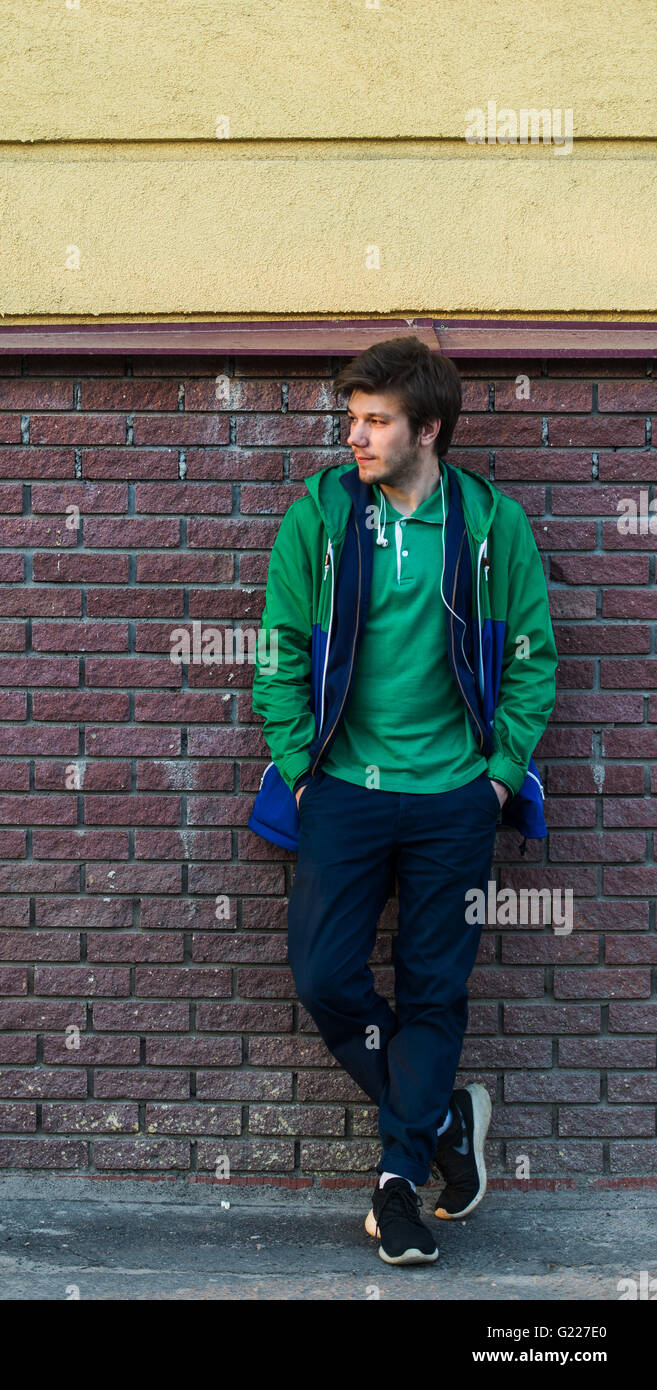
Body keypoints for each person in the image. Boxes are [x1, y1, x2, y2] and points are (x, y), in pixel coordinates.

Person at [250, 335, 558, 1265]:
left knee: (433, 989)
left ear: (428, 428)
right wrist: (300, 766)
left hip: (452, 798)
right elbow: (279, 653)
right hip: (343, 788)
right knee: (324, 977)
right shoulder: (321, 519)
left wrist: (496, 775)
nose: (356, 436)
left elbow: (532, 661)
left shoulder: (489, 528)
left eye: (375, 420)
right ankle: (440, 1123)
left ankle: (397, 1184)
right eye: (350, 419)